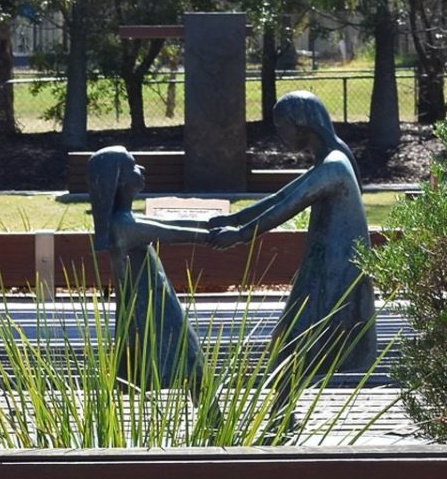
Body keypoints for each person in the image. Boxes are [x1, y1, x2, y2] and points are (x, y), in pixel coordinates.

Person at [207, 91, 375, 375]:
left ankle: (282, 411)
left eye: (281, 125)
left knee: (293, 339)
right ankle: (283, 411)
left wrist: (241, 234)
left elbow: (288, 206)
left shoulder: (333, 166)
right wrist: (234, 218)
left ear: (301, 123)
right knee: (294, 338)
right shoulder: (333, 155)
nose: (279, 133)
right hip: (326, 265)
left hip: (334, 271)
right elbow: (282, 196)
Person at [88, 146, 218, 388]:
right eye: (133, 166)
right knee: (189, 360)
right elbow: (171, 232)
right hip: (154, 310)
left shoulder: (125, 219)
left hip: (153, 305)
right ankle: (213, 417)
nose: (142, 168)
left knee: (186, 361)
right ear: (119, 179)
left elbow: (168, 223)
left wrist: (220, 224)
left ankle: (211, 414)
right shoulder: (123, 225)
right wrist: (213, 236)